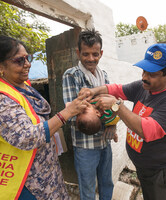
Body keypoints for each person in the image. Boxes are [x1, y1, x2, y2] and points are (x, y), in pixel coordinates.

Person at [0, 35, 88, 200]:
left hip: (47, 172)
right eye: (19, 61)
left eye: (27, 58)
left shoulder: (21, 85)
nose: (27, 64)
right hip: (27, 181)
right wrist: (67, 113)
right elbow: (27, 137)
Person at [79, 43, 166, 200]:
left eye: (152, 73)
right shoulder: (144, 86)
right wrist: (93, 91)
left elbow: (147, 130)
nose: (144, 76)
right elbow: (117, 89)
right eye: (144, 70)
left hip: (160, 172)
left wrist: (116, 105)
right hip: (144, 167)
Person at [62, 29, 116, 200]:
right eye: (86, 54)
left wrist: (112, 123)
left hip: (105, 141)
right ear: (78, 53)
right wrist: (106, 107)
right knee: (88, 187)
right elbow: (72, 112)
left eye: (95, 54)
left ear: (101, 53)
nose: (91, 59)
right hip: (85, 145)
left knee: (107, 182)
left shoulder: (103, 75)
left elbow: (113, 103)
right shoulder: (71, 75)